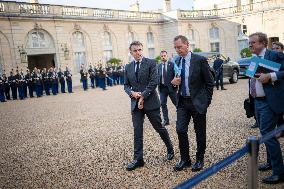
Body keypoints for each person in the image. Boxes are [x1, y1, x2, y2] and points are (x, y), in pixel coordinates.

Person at [124, 41, 174, 171]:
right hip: (136, 105)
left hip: (151, 102)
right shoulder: (128, 67)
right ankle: (138, 159)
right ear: (131, 52)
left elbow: (154, 82)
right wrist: (132, 93)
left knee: (159, 127)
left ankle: (170, 147)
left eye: (140, 49)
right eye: (135, 50)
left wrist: (143, 96)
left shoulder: (151, 63)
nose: (138, 52)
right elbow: (126, 85)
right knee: (137, 131)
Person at [171, 35, 214, 172]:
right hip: (182, 101)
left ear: (187, 45)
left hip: (197, 102)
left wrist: (206, 102)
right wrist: (173, 83)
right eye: (176, 48)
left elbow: (209, 82)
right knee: (180, 129)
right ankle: (185, 159)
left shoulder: (200, 60)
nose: (178, 50)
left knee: (199, 132)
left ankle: (199, 159)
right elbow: (173, 82)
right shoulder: (176, 61)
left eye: (180, 47)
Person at [248, 32, 284, 184]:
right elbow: (251, 77)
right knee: (265, 134)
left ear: (262, 43)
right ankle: (271, 163)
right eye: (249, 43)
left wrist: (271, 76)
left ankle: (279, 173)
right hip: (257, 101)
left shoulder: (274, 55)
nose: (250, 45)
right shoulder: (254, 58)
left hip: (269, 102)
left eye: (253, 43)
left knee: (268, 136)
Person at [157, 50, 177, 126]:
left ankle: (183, 117)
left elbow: (176, 74)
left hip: (171, 88)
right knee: (162, 104)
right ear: (160, 57)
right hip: (162, 88)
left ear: (167, 56)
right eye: (162, 56)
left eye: (164, 55)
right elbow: (157, 76)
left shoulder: (172, 64)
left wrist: (175, 84)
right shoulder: (158, 66)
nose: (163, 57)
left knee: (176, 103)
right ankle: (166, 120)